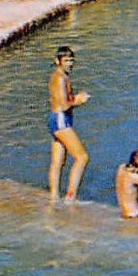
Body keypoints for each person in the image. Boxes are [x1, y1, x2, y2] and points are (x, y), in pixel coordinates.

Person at [48, 45, 93, 201]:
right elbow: (64, 104)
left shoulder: (58, 76)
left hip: (55, 119)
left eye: (71, 60)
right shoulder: (60, 78)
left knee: (57, 162)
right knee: (82, 157)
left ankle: (54, 197)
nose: (70, 64)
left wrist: (74, 98)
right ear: (57, 61)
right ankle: (70, 196)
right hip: (61, 119)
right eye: (66, 60)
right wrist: (79, 100)